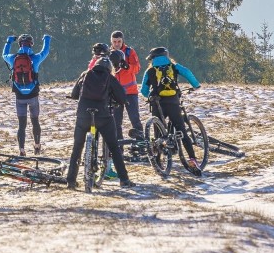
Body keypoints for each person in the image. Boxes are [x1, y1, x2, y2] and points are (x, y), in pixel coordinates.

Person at [65, 56, 135, 189]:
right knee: (114, 147)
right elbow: (121, 97)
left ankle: (71, 181)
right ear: (109, 68)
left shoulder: (85, 75)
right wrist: (123, 101)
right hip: (103, 117)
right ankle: (124, 180)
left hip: (83, 117)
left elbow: (74, 94)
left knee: (77, 148)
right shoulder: (110, 78)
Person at [140, 46, 203, 176]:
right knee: (181, 130)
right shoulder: (174, 66)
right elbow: (187, 73)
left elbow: (143, 90)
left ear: (152, 59)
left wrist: (149, 96)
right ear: (166, 56)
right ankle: (192, 160)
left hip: (157, 103)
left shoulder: (150, 70)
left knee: (158, 132)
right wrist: (196, 85)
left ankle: (158, 160)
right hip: (173, 101)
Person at [3, 33, 52, 156]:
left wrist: (8, 42)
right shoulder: (35, 58)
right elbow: (45, 51)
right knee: (35, 121)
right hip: (33, 95)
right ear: (31, 44)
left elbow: (4, 54)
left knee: (22, 124)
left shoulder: (12, 58)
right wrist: (46, 39)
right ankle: (36, 146)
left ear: (19, 44)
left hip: (19, 96)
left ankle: (22, 150)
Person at [109, 31, 143, 142]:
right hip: (115, 93)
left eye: (119, 41)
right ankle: (118, 147)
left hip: (130, 92)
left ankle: (141, 144)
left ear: (123, 40)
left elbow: (137, 68)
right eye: (114, 41)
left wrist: (127, 66)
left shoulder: (129, 52)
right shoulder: (108, 53)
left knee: (135, 119)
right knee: (116, 122)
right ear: (111, 41)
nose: (117, 44)